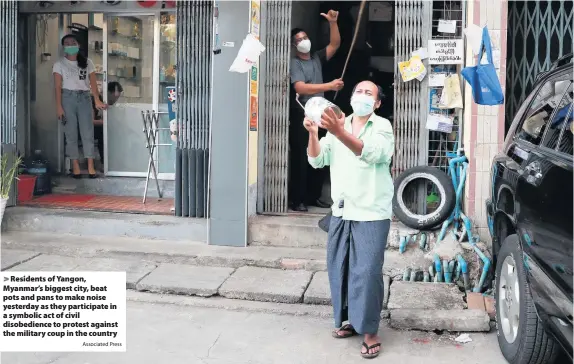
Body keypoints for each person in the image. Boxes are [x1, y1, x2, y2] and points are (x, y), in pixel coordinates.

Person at [305, 81, 394, 359]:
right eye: (359, 91)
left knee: (367, 272)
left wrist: (339, 131)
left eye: (369, 93)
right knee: (340, 268)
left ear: (377, 103)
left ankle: (369, 331)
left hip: (371, 210)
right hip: (342, 210)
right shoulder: (338, 126)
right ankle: (349, 320)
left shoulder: (382, 127)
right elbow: (318, 160)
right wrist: (313, 134)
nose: (362, 95)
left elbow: (371, 152)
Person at [289, 10, 343, 212]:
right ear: (294, 45)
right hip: (302, 114)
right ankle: (298, 199)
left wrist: (333, 23)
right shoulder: (295, 63)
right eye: (299, 39)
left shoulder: (316, 58)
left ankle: (314, 196)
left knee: (321, 152)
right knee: (302, 158)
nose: (304, 41)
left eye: (305, 37)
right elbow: (300, 88)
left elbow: (335, 44)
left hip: (320, 114)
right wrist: (328, 86)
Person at [54, 34, 106, 178]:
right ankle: (75, 166)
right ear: (63, 47)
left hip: (84, 97)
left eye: (73, 42)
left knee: (87, 132)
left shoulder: (88, 62)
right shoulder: (59, 64)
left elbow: (93, 85)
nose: (70, 45)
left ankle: (90, 166)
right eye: (67, 43)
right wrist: (59, 106)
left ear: (78, 45)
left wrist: (97, 100)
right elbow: (57, 87)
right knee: (71, 133)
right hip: (67, 98)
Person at [92, 81, 123, 169]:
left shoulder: (109, 105)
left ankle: (117, 161)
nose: (115, 100)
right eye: (115, 97)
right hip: (87, 129)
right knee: (104, 132)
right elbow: (89, 121)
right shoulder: (95, 101)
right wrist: (105, 122)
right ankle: (104, 163)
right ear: (108, 93)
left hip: (99, 127)